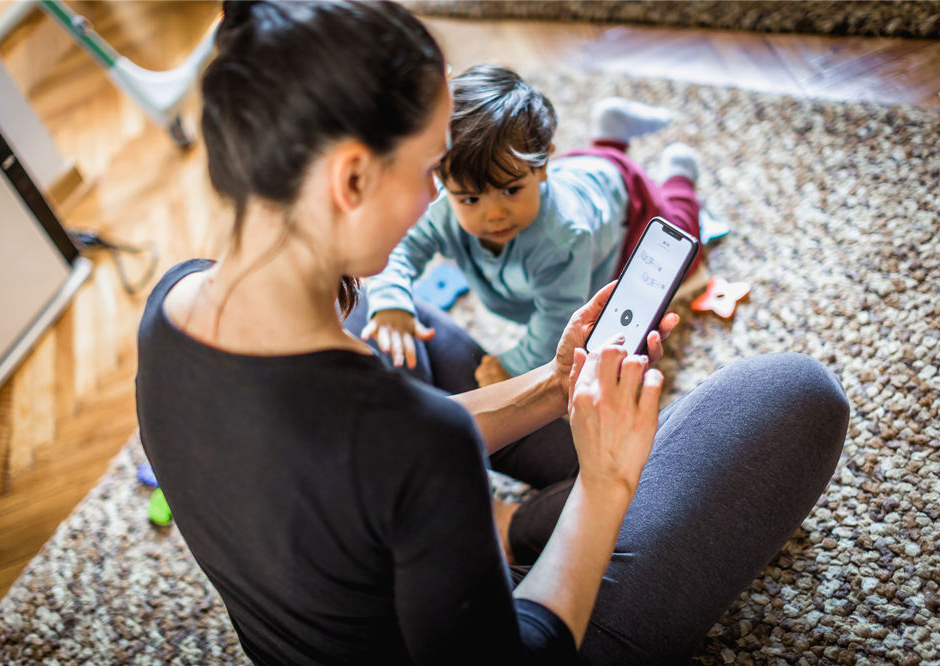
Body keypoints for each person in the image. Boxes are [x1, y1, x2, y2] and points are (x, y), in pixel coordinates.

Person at [135, 2, 850, 663]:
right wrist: (607, 485)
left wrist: (551, 384)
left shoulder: (169, 309)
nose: (434, 198)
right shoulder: (417, 444)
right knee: (795, 393)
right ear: (351, 178)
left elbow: (369, 473)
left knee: (402, 323)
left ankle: (518, 524)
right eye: (428, 171)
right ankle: (531, 529)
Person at [360, 64, 704, 388]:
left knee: (682, 252)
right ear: (441, 181)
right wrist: (390, 299)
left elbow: (559, 319)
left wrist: (514, 365)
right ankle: (609, 134)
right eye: (470, 199)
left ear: (542, 166)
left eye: (510, 191)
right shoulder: (447, 206)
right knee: (589, 162)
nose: (494, 214)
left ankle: (679, 175)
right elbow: (399, 246)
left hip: (626, 199)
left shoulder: (564, 239)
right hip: (577, 172)